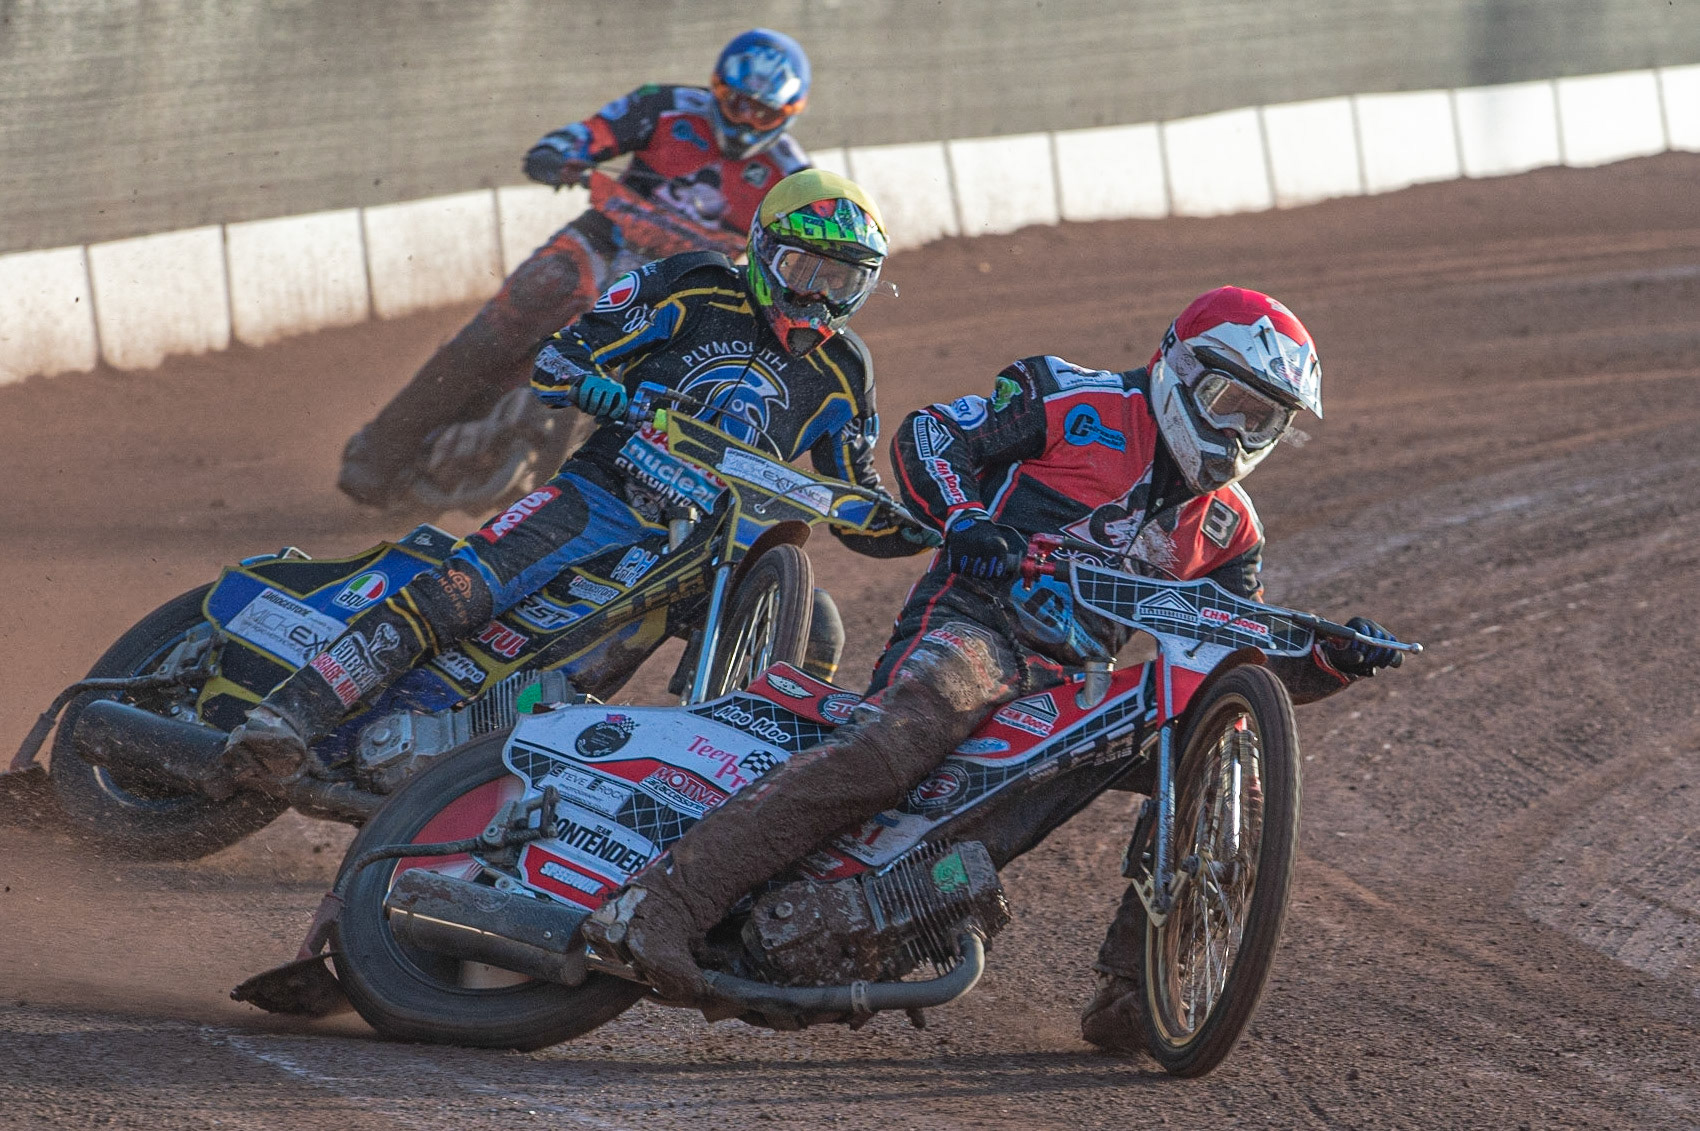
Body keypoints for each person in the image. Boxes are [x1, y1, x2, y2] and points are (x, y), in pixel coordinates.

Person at [581, 287, 1406, 1051]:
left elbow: (1233, 662)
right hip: (974, 625)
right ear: (1181, 369)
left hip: (1073, 688)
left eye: (1265, 421)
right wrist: (968, 517)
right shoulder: (1076, 401)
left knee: (1222, 767)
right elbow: (931, 435)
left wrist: (1327, 660)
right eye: (1232, 405)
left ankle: (1138, 986)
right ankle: (665, 899)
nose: (1239, 436)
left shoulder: (1229, 528)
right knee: (893, 747)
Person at [213, 169, 920, 797]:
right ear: (765, 249)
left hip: (710, 554)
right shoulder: (695, 285)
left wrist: (941, 524)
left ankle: (754, 796)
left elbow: (860, 502)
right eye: (806, 269)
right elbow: (563, 355)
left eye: (843, 281)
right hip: (606, 493)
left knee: (813, 621)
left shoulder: (844, 373)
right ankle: (288, 713)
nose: (819, 296)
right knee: (464, 588)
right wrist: (597, 387)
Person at [338, 28, 817, 512]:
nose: (748, 122)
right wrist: (559, 152)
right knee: (510, 316)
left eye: (765, 112)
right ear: (717, 89)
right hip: (602, 241)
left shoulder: (793, 176)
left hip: (682, 280)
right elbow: (594, 131)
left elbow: (808, 246)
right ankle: (377, 455)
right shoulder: (667, 105)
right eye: (738, 104)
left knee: (672, 385)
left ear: (789, 115)